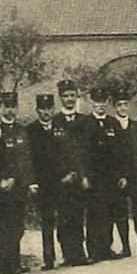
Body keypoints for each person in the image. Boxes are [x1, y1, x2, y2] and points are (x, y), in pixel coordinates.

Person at [0, 90, 33, 274]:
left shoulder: (10, 130)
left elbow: (17, 159)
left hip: (12, 186)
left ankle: (13, 262)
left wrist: (12, 178)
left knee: (14, 225)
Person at [28, 93, 80, 270]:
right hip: (44, 183)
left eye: (49, 109)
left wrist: (71, 173)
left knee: (66, 219)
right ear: (37, 110)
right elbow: (28, 160)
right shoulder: (31, 130)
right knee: (47, 221)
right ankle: (48, 258)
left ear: (53, 109)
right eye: (42, 109)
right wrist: (32, 182)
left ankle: (69, 254)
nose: (46, 112)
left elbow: (72, 152)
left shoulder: (62, 126)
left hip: (63, 181)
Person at [83, 86, 124, 261]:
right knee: (94, 213)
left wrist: (122, 174)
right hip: (93, 177)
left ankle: (107, 248)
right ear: (91, 102)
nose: (100, 105)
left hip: (111, 177)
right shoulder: (84, 124)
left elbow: (121, 151)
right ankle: (94, 251)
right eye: (97, 101)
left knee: (109, 212)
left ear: (107, 103)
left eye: (103, 101)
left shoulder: (113, 123)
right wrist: (84, 175)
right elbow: (80, 153)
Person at [52, 79, 90, 264]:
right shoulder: (55, 121)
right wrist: (63, 174)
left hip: (81, 177)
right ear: (60, 98)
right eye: (65, 96)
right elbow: (52, 153)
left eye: (72, 96)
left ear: (77, 97)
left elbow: (88, 151)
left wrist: (83, 174)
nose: (69, 99)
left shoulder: (85, 121)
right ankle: (67, 253)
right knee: (65, 216)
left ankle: (80, 253)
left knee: (79, 214)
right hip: (62, 178)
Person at [112, 87, 137, 258]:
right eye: (119, 105)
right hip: (120, 177)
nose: (122, 108)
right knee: (120, 211)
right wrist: (120, 174)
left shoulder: (136, 125)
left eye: (125, 104)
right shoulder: (110, 126)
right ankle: (125, 247)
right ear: (114, 107)